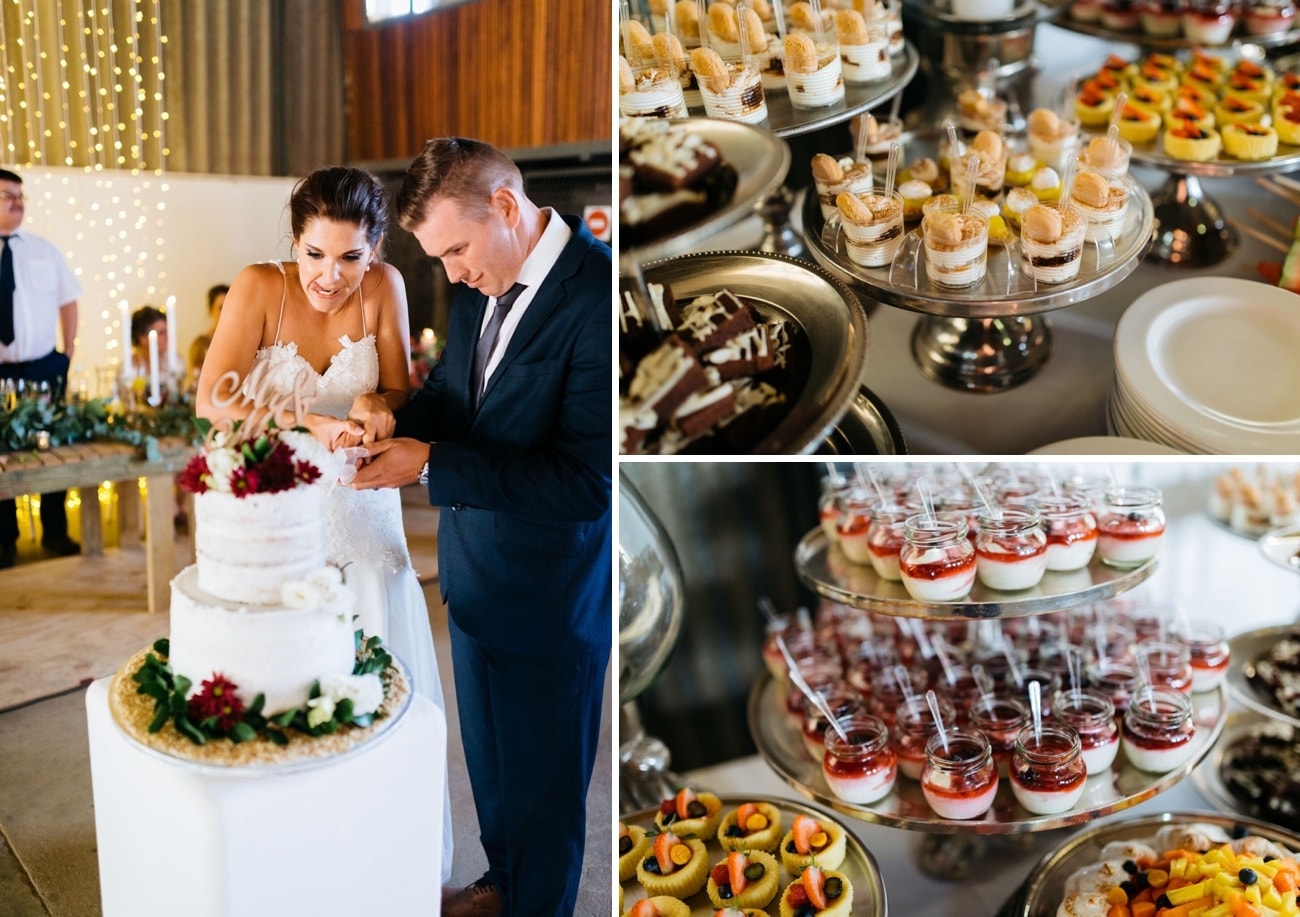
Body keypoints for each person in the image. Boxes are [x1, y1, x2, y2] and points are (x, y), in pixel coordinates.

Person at [350, 138, 611, 917]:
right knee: (493, 771)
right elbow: (454, 402)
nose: (452, 272)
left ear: (505, 206)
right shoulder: (475, 287)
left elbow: (585, 482)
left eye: (456, 249)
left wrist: (429, 464)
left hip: (549, 597)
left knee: (548, 791)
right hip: (472, 581)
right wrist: (394, 413)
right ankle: (504, 881)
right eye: (438, 258)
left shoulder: (597, 298)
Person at [194, 166, 454, 880]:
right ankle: (289, 859)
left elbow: (399, 388)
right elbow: (210, 404)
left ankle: (384, 861)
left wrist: (376, 402)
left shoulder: (386, 289)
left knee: (379, 668)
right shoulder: (257, 285)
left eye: (349, 257)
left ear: (375, 249)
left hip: (364, 510)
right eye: (314, 254)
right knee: (288, 681)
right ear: (295, 241)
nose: (329, 276)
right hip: (278, 514)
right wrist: (305, 418)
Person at [0, 168, 82, 568]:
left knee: (53, 446)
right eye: (6, 194)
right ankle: (4, 540)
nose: (17, 201)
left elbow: (69, 301)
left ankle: (55, 531)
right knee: (3, 454)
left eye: (20, 194)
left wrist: (66, 354)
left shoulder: (44, 250)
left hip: (45, 367)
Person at [124, 305, 183, 404]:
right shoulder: (129, 369)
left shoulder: (176, 361)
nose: (167, 336)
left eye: (167, 331)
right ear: (142, 338)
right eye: (161, 333)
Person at [187, 283, 229, 390]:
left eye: (229, 306)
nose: (226, 312)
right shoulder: (201, 343)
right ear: (211, 310)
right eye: (220, 307)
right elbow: (195, 381)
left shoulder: (245, 340)